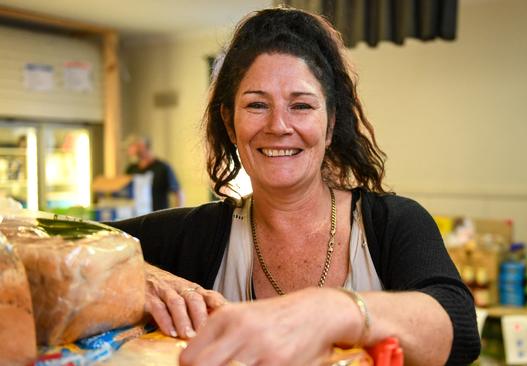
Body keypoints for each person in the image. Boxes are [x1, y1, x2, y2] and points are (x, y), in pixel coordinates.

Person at [111, 7, 480, 365]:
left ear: (331, 124)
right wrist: (145, 275)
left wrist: (332, 309)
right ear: (229, 123)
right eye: (257, 105)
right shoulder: (194, 234)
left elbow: (459, 332)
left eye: (301, 106)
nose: (278, 125)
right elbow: (58, 239)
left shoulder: (392, 223)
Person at [125, 135, 185, 210]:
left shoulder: (162, 168)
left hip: (158, 217)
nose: (133, 147)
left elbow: (178, 193)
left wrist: (177, 216)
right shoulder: (131, 169)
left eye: (136, 145)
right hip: (138, 216)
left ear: (144, 146)